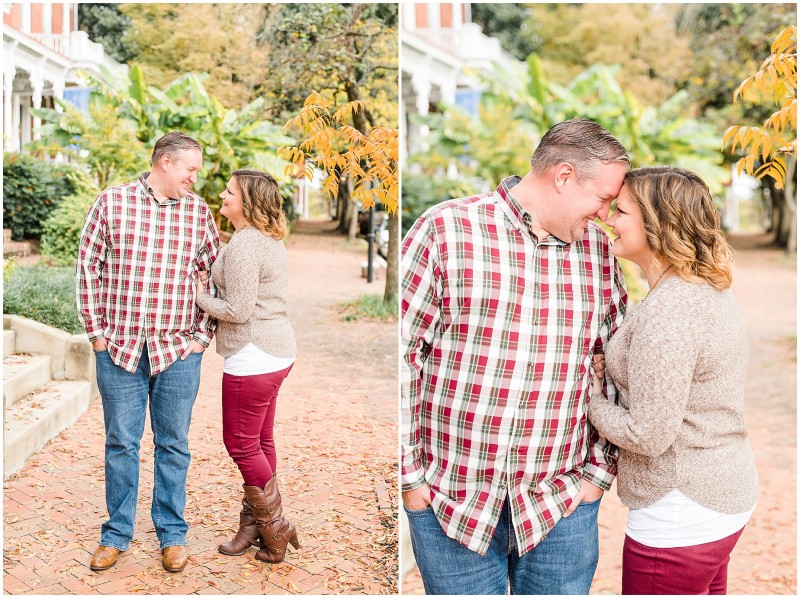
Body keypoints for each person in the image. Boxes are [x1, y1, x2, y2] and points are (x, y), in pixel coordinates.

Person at [400, 118, 630, 595]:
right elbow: (402, 358)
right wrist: (411, 481)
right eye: (604, 199)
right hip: (450, 502)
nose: (608, 215)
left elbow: (614, 369)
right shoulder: (445, 230)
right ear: (564, 176)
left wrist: (597, 475)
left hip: (561, 505)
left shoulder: (600, 256)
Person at [587, 166, 758, 595]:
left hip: (681, 507)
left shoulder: (673, 310)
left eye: (621, 210)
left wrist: (590, 400)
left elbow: (647, 434)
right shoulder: (697, 287)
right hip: (718, 491)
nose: (608, 218)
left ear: (657, 225)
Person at [77, 132, 219, 573]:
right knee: (121, 442)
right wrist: (97, 334)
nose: (194, 179)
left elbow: (214, 276)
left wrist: (201, 338)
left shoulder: (198, 213)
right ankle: (116, 533)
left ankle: (172, 535)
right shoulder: (112, 202)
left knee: (173, 444)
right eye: (189, 170)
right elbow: (88, 266)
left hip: (178, 350)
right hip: (118, 349)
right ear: (164, 163)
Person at [195, 169, 299, 564]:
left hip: (254, 353)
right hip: (276, 350)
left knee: (240, 443)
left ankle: (275, 527)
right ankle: (254, 524)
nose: (222, 195)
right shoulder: (261, 239)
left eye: (230, 191)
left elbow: (237, 310)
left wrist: (201, 295)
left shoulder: (245, 245)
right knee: (261, 440)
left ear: (249, 202)